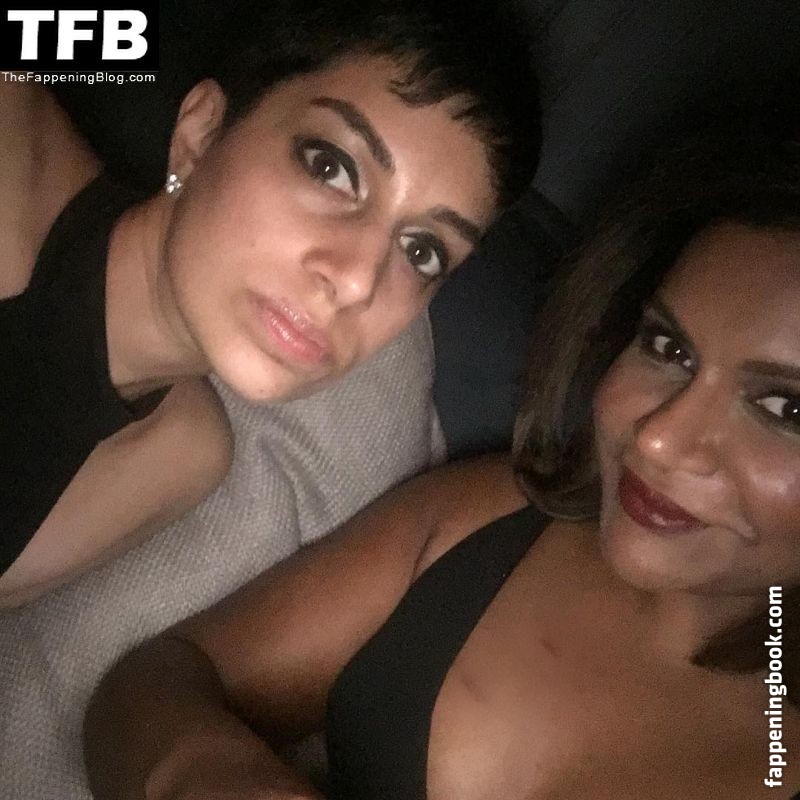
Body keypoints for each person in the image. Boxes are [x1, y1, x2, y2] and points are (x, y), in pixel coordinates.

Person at [83, 119, 800, 799]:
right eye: (669, 350)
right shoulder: (493, 518)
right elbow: (158, 681)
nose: (657, 440)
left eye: (782, 409)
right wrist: (203, 769)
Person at [0, 0, 540, 605]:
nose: (358, 280)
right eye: (330, 167)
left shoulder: (182, 456)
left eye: (423, 252)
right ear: (202, 132)